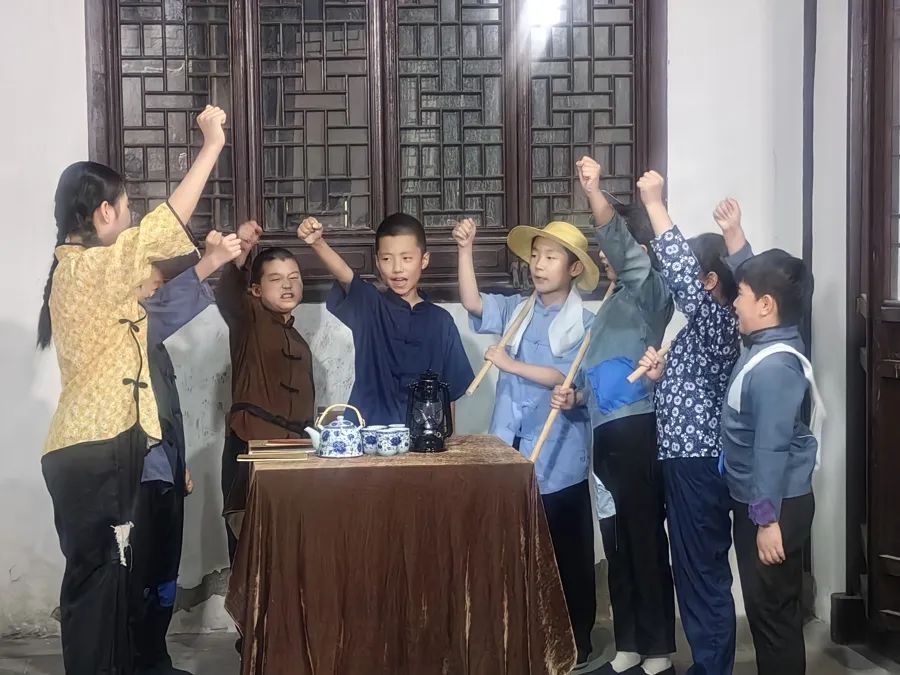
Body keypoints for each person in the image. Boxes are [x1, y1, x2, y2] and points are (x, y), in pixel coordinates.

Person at [37, 105, 228, 674]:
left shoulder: (92, 278)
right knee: (99, 587)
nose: (131, 218)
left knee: (114, 582)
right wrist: (211, 146)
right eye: (126, 209)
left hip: (107, 446)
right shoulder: (82, 270)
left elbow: (158, 289)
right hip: (94, 449)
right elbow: (160, 233)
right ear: (104, 212)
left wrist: (212, 258)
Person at [454, 216, 611, 671]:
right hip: (511, 451)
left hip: (559, 457)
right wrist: (465, 249)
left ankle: (576, 642)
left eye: (551, 257)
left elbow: (567, 378)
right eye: (536, 256)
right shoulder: (518, 310)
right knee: (515, 551)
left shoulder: (585, 323)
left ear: (574, 268)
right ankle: (525, 638)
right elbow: (473, 302)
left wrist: (510, 364)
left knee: (567, 555)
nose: (539, 265)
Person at [553, 157, 676, 675]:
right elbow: (597, 374)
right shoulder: (609, 303)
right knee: (617, 542)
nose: (606, 255)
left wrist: (595, 193)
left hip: (636, 430)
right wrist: (576, 398)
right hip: (603, 437)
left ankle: (659, 650)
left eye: (615, 247)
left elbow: (627, 255)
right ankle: (628, 644)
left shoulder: (652, 294)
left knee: (644, 540)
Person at [635, 176, 749, 675]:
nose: (677, 282)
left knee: (702, 571)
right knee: (692, 569)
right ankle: (708, 665)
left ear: (709, 282)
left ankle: (712, 669)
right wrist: (662, 377)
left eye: (689, 278)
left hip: (698, 463)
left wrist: (655, 204)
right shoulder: (699, 331)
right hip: (685, 461)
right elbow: (692, 388)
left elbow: (679, 268)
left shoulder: (718, 321)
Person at [133, 230, 242, 675]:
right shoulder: (124, 336)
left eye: (161, 285)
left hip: (165, 473)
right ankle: (133, 661)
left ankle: (154, 660)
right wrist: (210, 261)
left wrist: (177, 464)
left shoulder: (154, 346)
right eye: (152, 284)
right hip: (135, 479)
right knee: (138, 577)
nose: (157, 293)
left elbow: (165, 413)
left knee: (164, 575)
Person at [721, 248, 823, 675]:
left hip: (773, 508)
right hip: (763, 502)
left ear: (766, 306)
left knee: (773, 616)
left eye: (741, 295)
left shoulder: (775, 368)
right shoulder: (770, 342)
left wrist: (765, 521)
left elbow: (770, 449)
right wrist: (735, 242)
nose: (734, 303)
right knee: (767, 612)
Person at [298, 213, 473, 426]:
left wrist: (448, 441)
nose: (397, 268)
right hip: (368, 434)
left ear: (424, 260)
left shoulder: (441, 322)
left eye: (406, 258)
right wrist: (317, 243)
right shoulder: (371, 306)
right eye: (387, 259)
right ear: (377, 263)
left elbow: (449, 393)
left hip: (422, 437)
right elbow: (345, 275)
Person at [215, 221, 316, 564]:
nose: (288, 285)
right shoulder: (248, 320)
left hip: (295, 454)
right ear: (256, 290)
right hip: (252, 448)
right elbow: (229, 294)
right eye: (276, 279)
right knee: (251, 556)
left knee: (289, 554)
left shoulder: (299, 342)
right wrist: (241, 253)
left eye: (294, 277)